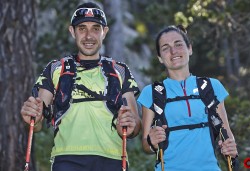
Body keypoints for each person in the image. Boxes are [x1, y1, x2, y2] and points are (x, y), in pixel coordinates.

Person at [20, 2, 141, 171]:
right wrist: (32, 115)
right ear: (72, 31)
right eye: (82, 28)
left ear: (104, 32)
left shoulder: (120, 70)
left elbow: (135, 126)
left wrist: (130, 124)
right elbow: (37, 121)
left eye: (95, 28)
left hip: (113, 159)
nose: (89, 36)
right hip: (66, 160)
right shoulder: (56, 68)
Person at [137, 25, 238, 171]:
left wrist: (230, 147)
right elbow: (146, 146)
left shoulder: (211, 86)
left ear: (189, 49)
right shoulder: (151, 93)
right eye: (165, 48)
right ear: (160, 58)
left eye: (178, 44)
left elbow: (226, 133)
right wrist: (151, 141)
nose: (173, 51)